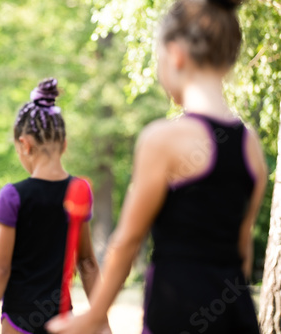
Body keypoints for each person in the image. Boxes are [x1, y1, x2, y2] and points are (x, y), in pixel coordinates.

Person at [47, 0, 267, 333]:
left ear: (175, 54)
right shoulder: (251, 145)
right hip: (237, 316)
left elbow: (128, 240)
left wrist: (94, 317)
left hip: (176, 311)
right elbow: (243, 251)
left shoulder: (163, 138)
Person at [0, 78, 111, 334]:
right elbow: (87, 263)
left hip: (17, 322)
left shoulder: (13, 196)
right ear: (64, 144)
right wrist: (102, 323)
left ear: (25, 144)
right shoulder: (79, 191)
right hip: (61, 322)